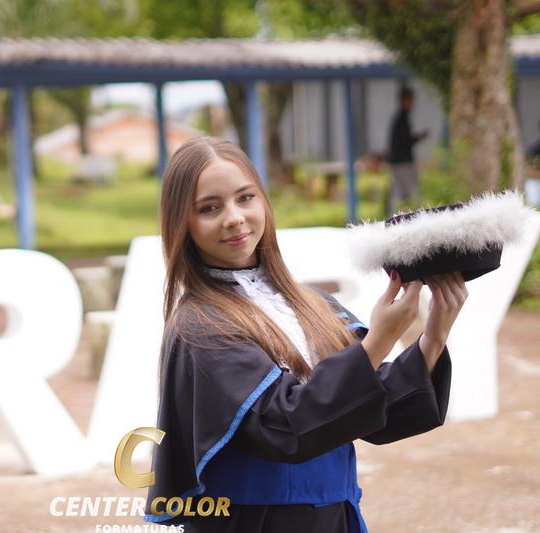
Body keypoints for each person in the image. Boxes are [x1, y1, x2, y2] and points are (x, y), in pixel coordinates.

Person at [144, 137, 467, 532]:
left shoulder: (312, 303)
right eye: (210, 207)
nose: (234, 218)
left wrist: (433, 336)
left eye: (245, 198)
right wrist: (379, 340)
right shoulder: (201, 325)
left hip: (336, 516)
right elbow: (285, 426)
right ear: (182, 223)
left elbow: (378, 410)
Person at [387, 86, 429, 213]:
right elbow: (405, 141)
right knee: (414, 192)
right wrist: (419, 137)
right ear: (404, 100)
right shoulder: (402, 118)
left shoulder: (400, 117)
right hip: (403, 162)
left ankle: (394, 216)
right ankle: (421, 217)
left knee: (398, 194)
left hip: (397, 161)